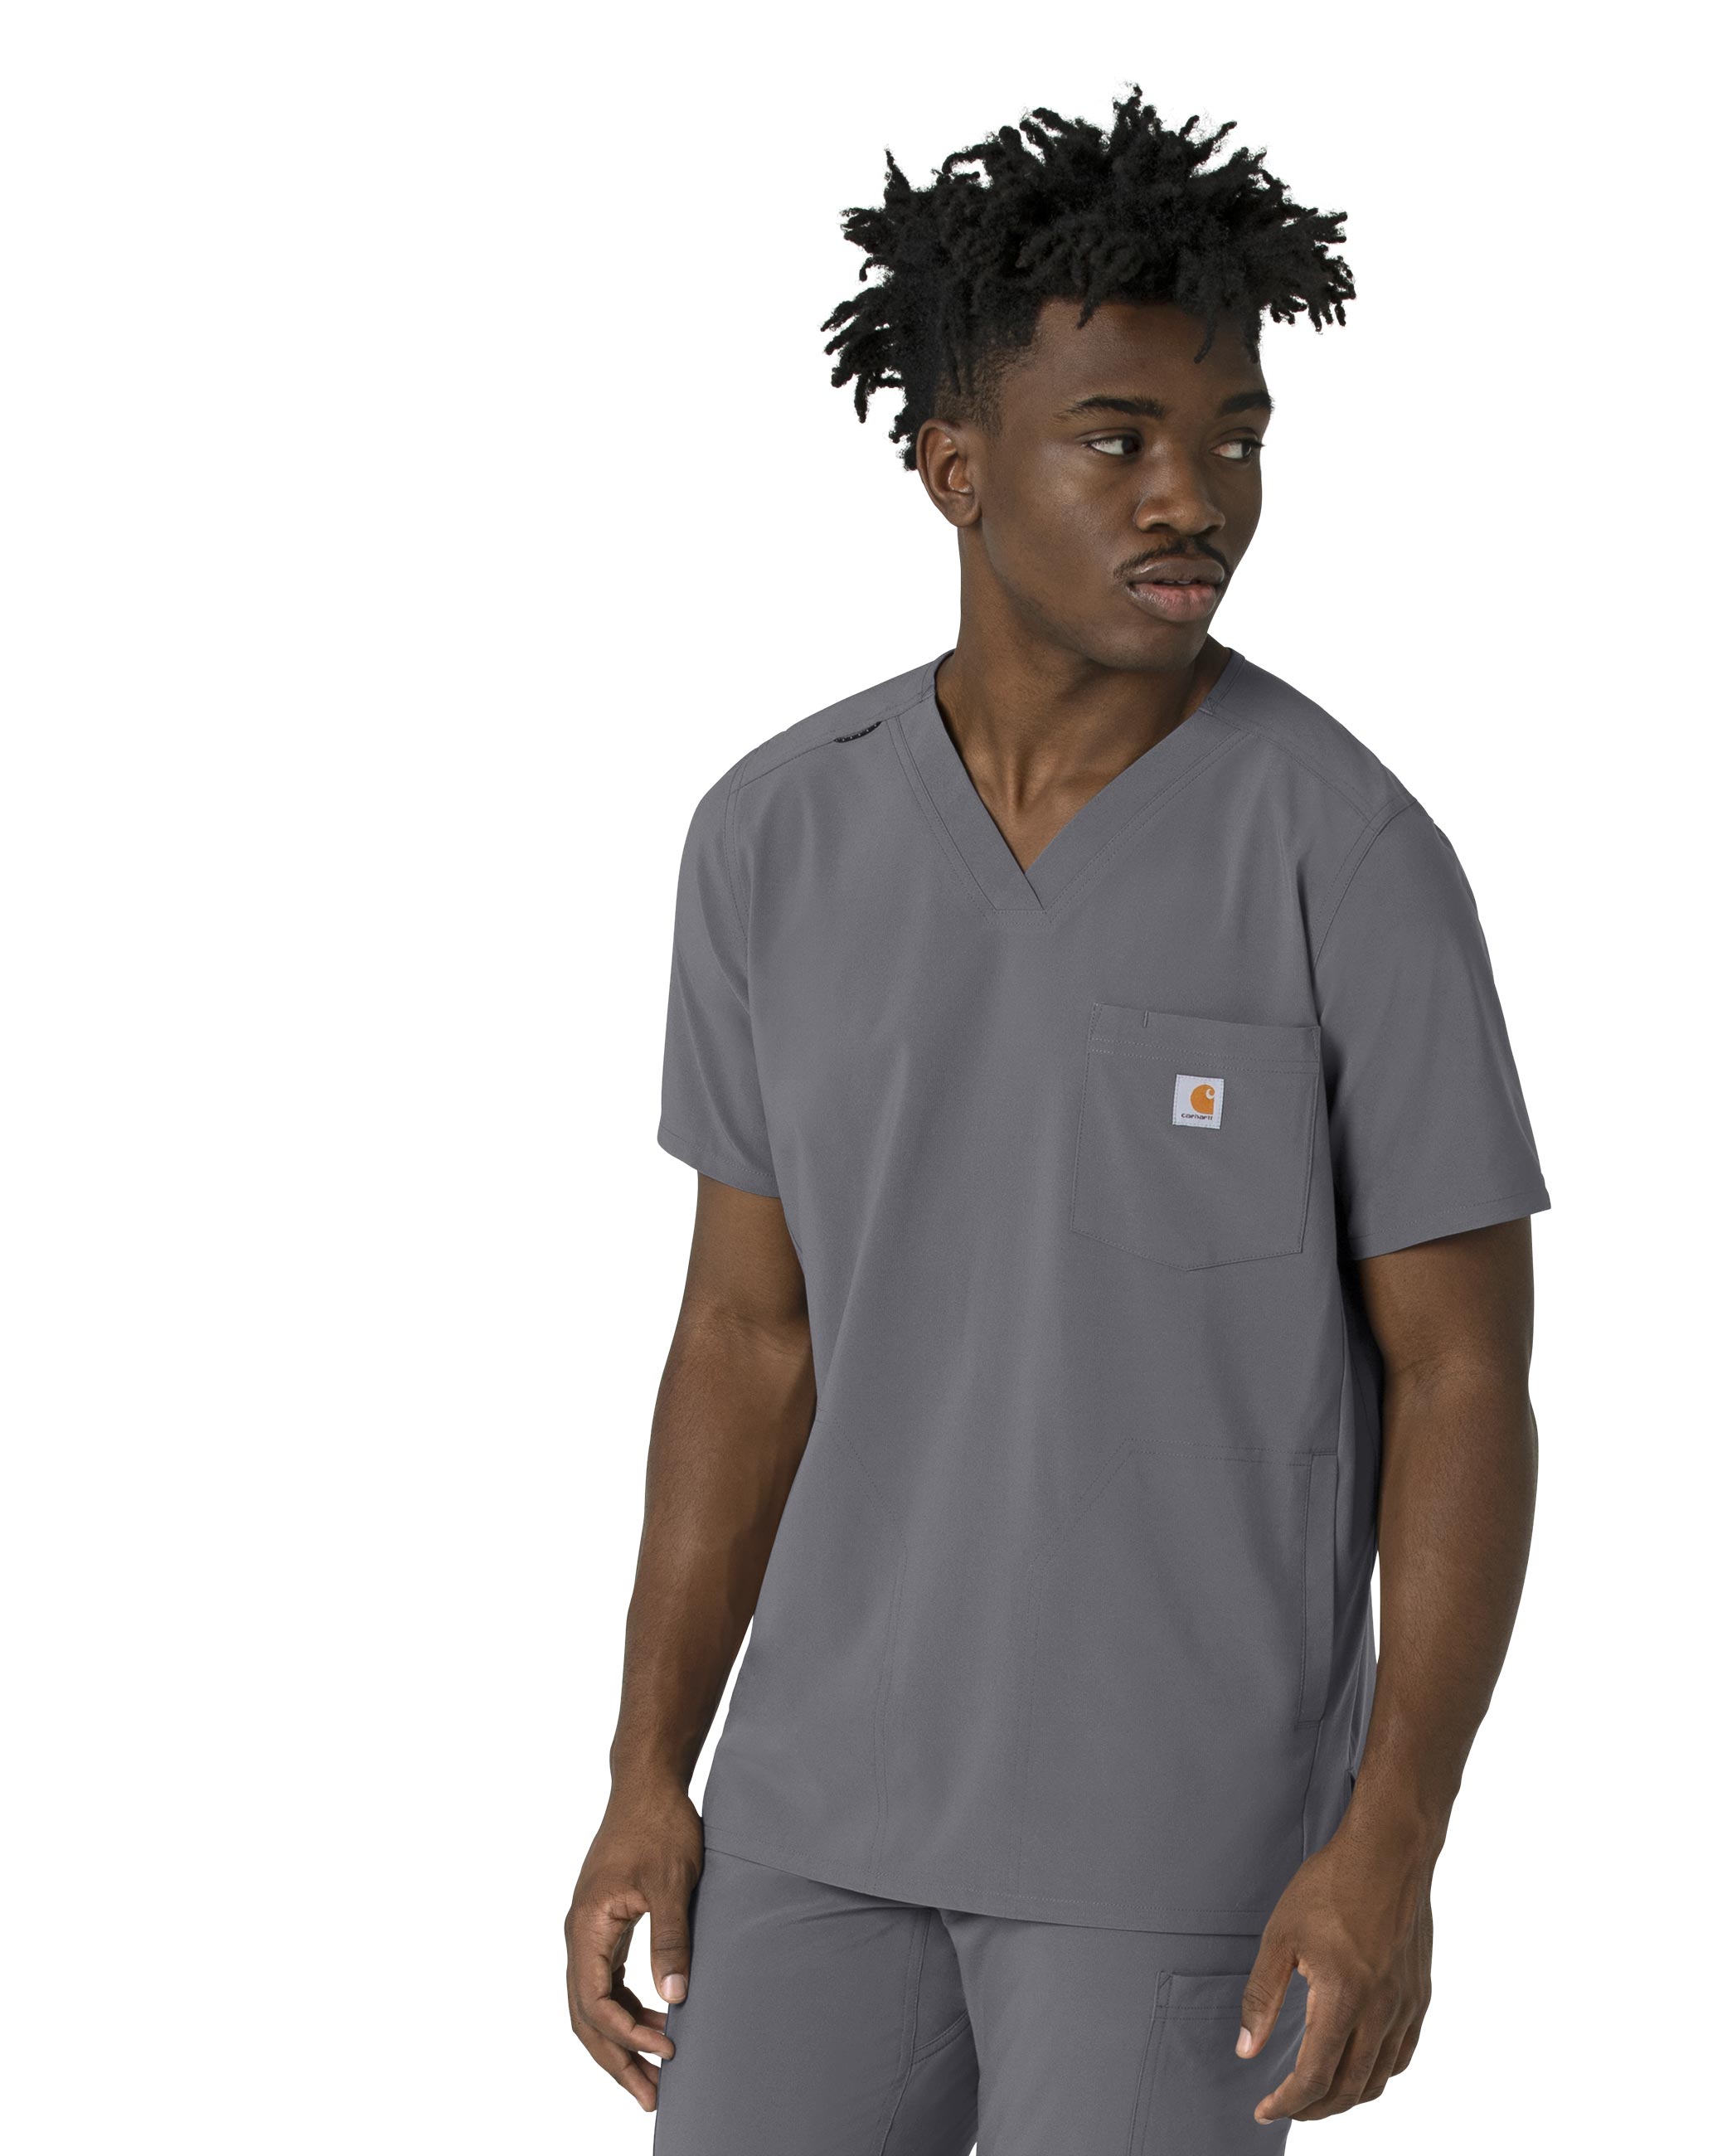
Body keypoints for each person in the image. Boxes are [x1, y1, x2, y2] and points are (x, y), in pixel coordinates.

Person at [566, 88, 1550, 2153]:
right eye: (1118, 440)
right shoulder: (772, 840)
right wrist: (649, 1766)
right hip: (815, 1813)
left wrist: (1389, 1841)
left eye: (1235, 440)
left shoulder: (1349, 860)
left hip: (1180, 1853)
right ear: (953, 467)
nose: (1194, 496)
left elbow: (1464, 1381)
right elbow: (746, 1335)